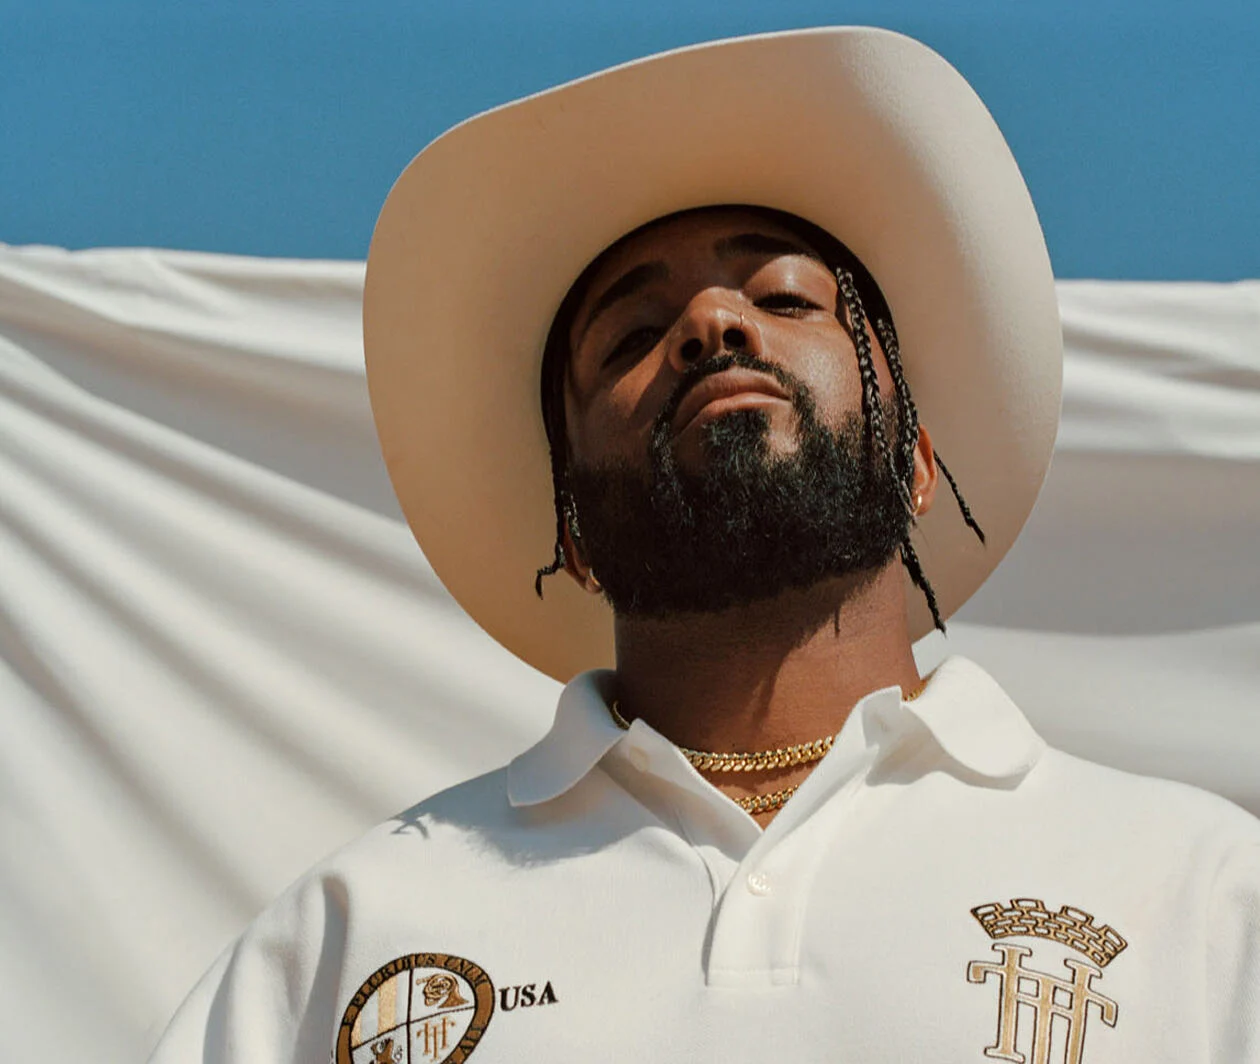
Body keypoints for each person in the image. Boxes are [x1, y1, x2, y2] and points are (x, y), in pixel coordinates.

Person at [150, 26, 1259, 1064]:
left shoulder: (1199, 895)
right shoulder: (345, 943)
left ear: (915, 459)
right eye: (633, 336)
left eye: (784, 296)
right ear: (572, 535)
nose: (712, 326)